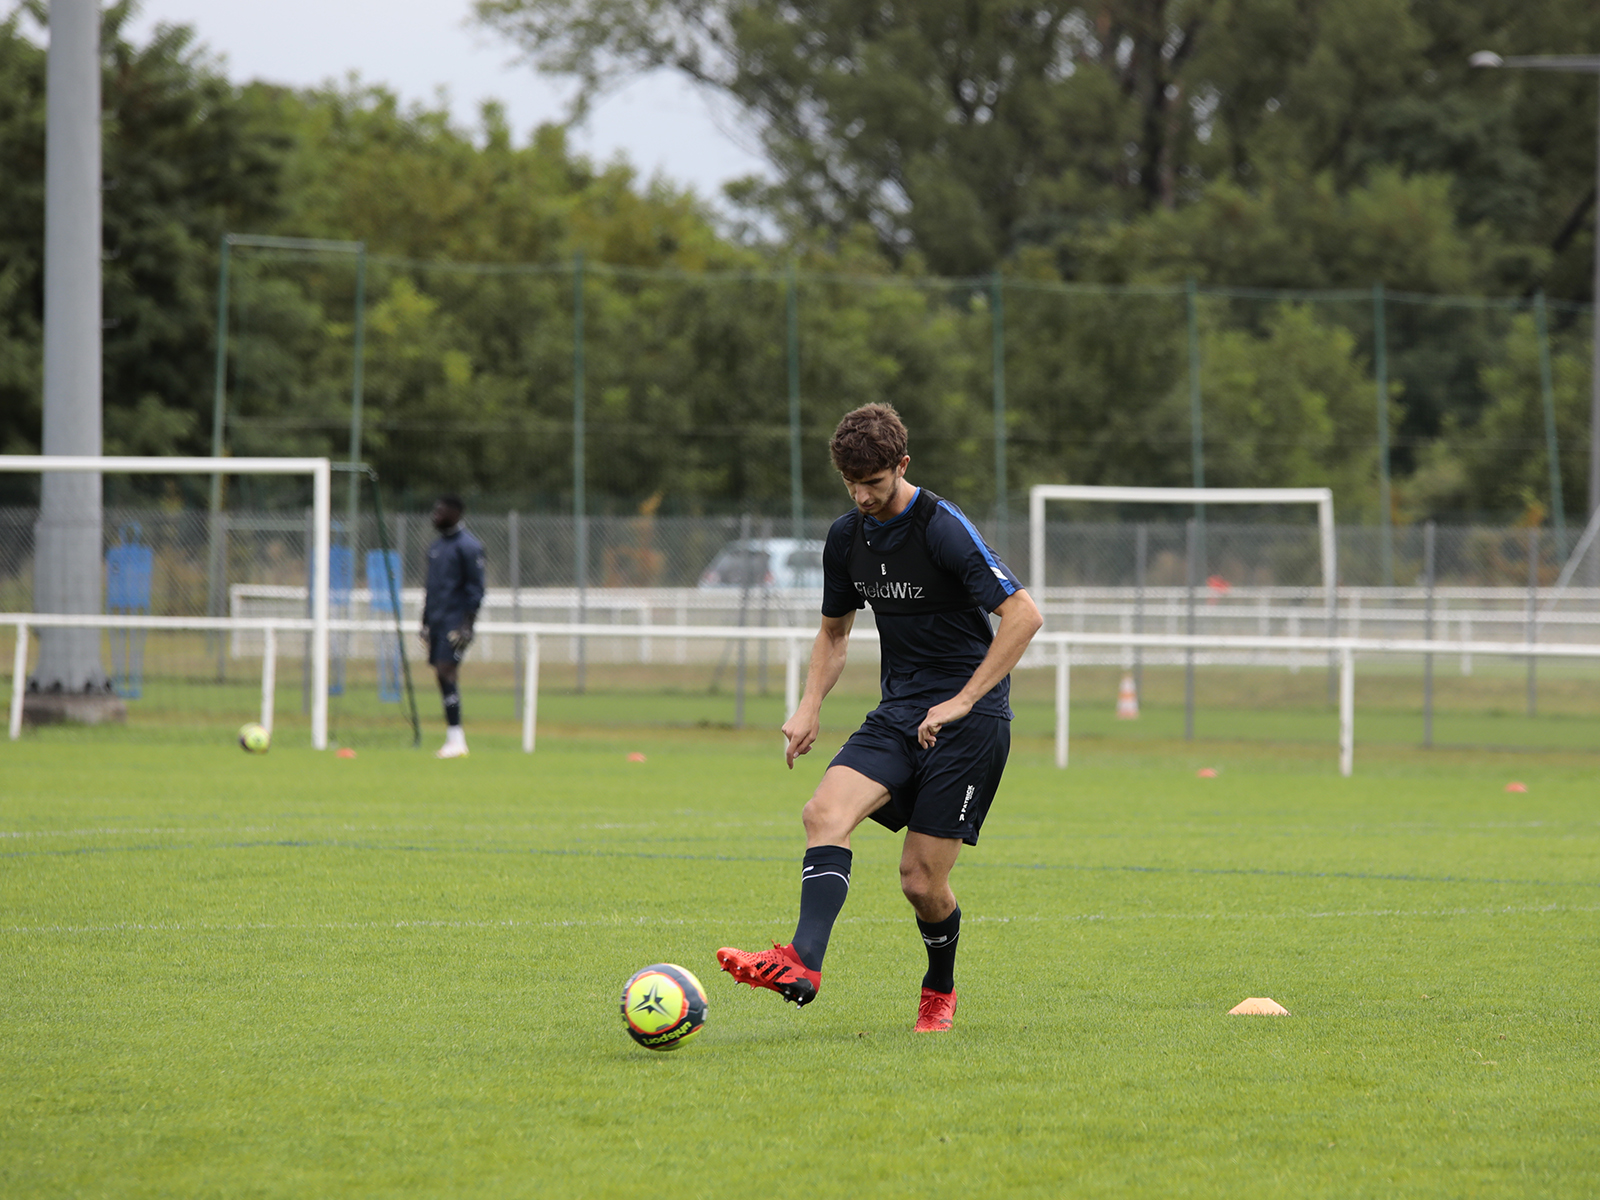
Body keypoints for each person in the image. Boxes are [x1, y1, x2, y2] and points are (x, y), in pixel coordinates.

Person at [716, 403, 1043, 1032]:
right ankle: (802, 963)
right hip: (899, 713)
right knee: (822, 813)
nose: (864, 496)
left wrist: (964, 700)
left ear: (902, 465)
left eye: (875, 482)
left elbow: (1023, 614)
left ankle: (939, 988)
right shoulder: (846, 539)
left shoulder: (941, 526)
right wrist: (809, 705)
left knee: (920, 883)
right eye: (852, 485)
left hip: (968, 723)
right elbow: (833, 634)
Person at [420, 494, 486, 759]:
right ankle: (454, 738)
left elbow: (476, 589)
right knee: (440, 673)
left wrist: (467, 625)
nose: (435, 516)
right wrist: (425, 622)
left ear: (456, 513)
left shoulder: (469, 547)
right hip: (436, 621)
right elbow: (431, 589)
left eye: (440, 511)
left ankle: (457, 740)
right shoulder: (436, 547)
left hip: (455, 622)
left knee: (447, 671)